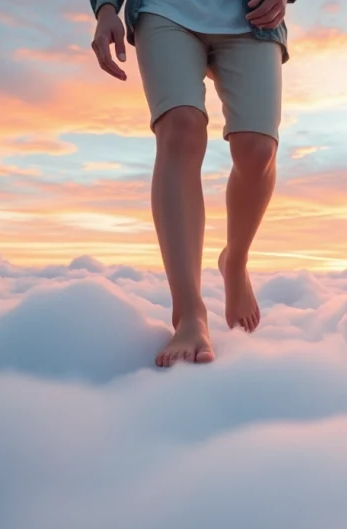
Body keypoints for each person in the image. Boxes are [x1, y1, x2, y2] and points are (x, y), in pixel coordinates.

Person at [89, 0, 295, 367]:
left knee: (258, 149)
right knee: (179, 128)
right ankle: (188, 314)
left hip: (251, 18)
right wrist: (105, 8)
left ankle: (235, 260)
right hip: (163, 11)